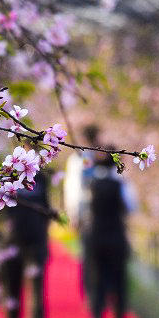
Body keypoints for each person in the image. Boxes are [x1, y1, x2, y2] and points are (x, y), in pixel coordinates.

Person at [84, 152, 136, 318]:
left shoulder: (92, 185)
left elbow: (85, 209)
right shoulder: (120, 184)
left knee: (96, 276)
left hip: (96, 234)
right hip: (116, 234)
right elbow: (131, 207)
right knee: (119, 278)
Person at [0, 171, 52, 318]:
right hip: (12, 239)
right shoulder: (8, 174)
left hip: (36, 239)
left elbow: (46, 207)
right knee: (12, 284)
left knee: (36, 284)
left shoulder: (41, 178)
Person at [62, 124, 101, 298]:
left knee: (88, 253)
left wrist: (72, 214)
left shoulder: (79, 159)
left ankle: (91, 292)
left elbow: (71, 189)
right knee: (91, 253)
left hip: (87, 212)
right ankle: (93, 291)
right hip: (94, 213)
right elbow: (73, 188)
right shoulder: (93, 158)